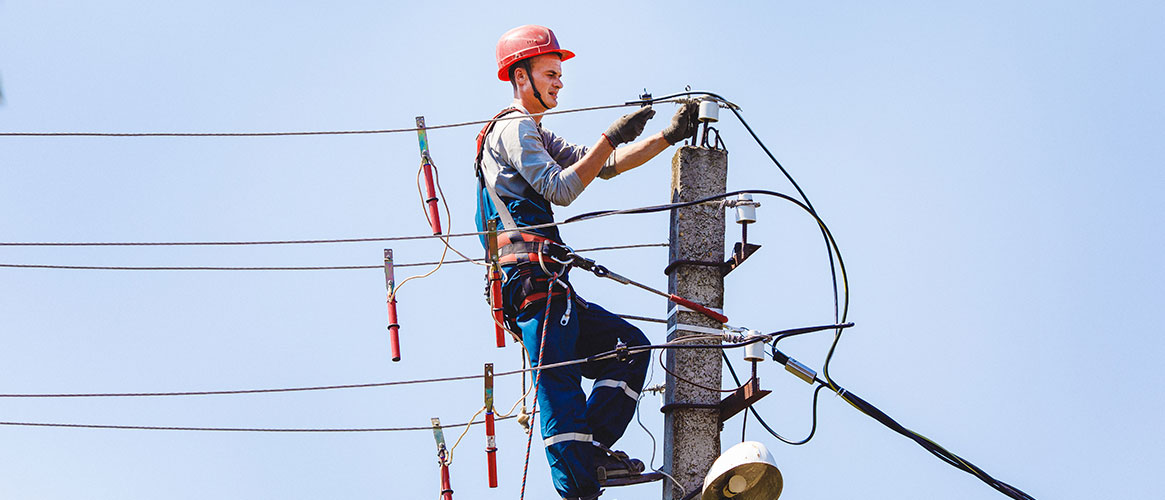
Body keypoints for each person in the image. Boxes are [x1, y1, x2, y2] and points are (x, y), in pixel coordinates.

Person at [474, 25, 697, 500]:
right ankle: (576, 480)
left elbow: (602, 165)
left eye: (559, 75)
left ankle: (590, 454)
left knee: (630, 348)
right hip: (533, 281)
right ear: (520, 76)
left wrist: (666, 136)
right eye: (550, 74)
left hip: (550, 281)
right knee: (560, 380)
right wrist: (609, 135)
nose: (559, 83)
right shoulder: (512, 129)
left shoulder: (531, 132)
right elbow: (564, 188)